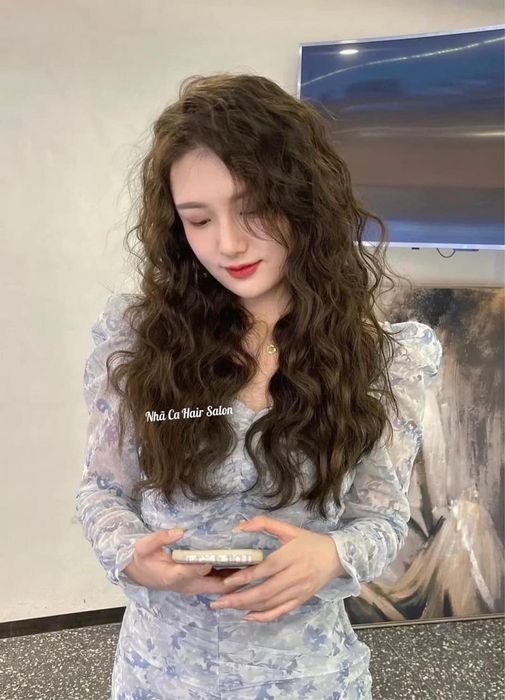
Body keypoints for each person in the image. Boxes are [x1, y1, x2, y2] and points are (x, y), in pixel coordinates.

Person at [76, 73, 443, 700]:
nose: (228, 244)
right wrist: (131, 553)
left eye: (254, 209)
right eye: (198, 220)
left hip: (305, 674)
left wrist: (332, 556)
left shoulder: (386, 359)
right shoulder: (138, 340)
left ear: (305, 201)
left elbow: (381, 517)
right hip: (161, 671)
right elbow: (103, 490)